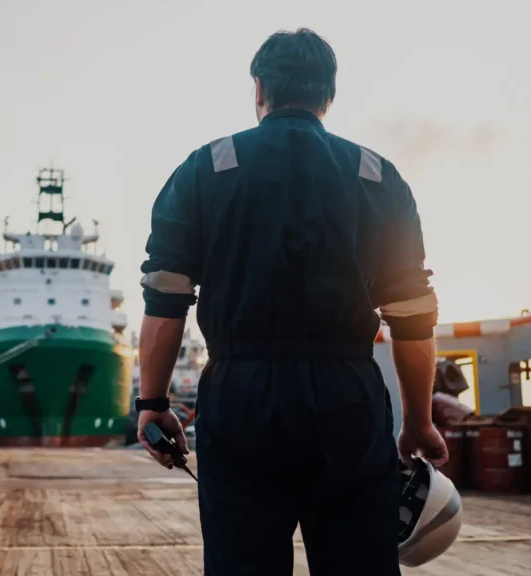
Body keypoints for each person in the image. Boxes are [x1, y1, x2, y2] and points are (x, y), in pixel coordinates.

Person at [134, 28, 449, 575]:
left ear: (259, 89)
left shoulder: (204, 168)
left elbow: (166, 300)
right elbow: (412, 317)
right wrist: (418, 421)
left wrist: (152, 405)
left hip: (241, 401)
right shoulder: (376, 175)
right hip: (348, 398)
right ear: (329, 94)